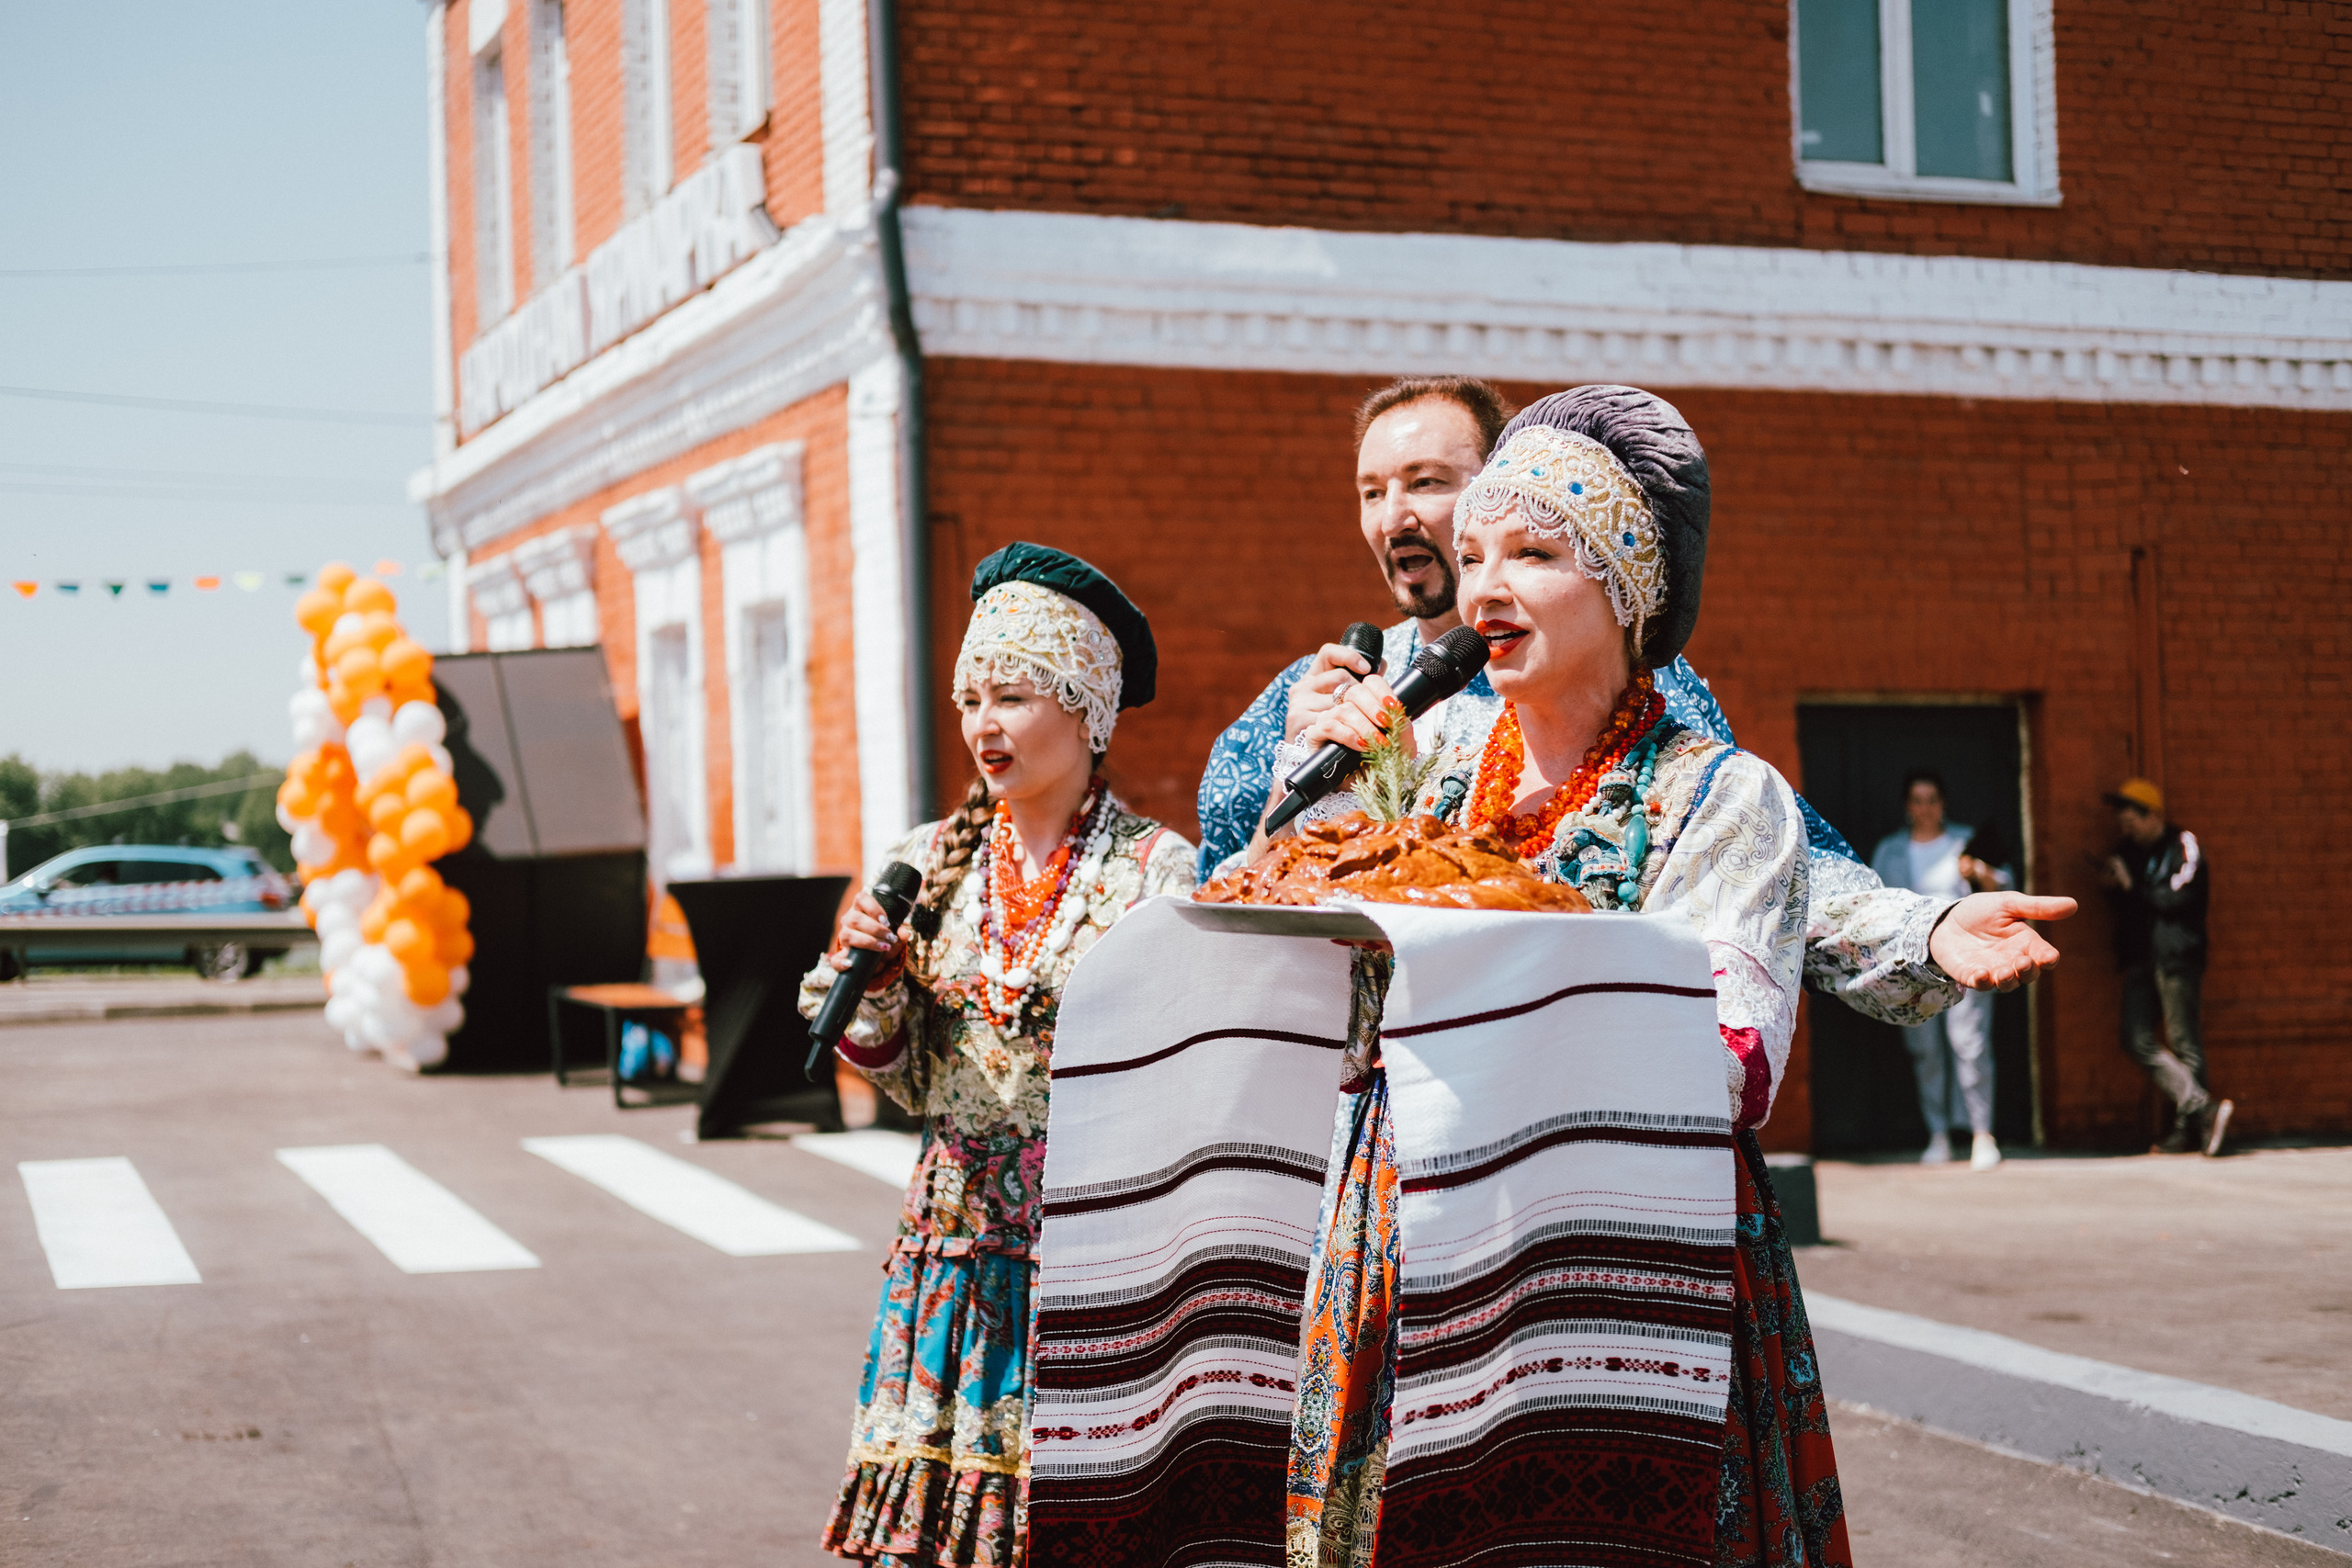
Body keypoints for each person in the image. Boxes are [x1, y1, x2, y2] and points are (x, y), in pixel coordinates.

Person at [1277, 387, 1893, 1566]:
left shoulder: (1720, 796)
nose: (1483, 590)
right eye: (1472, 557)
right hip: (1410, 1227)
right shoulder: (1421, 762)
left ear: (1625, 588)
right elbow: (1307, 966)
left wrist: (1498, 958)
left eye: (1533, 555)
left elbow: (1729, 1063)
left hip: (1619, 1247)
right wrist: (1324, 794)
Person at [1197, 374, 2076, 1027]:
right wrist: (1302, 776)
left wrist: (1922, 925)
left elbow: (1770, 863)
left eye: (1426, 482)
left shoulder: (1637, 675)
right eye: (1371, 491)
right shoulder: (1320, 690)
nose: (1394, 515)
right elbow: (1236, 890)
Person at [797, 543, 1196, 1565]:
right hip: (954, 1250)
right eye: (970, 698)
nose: (983, 724)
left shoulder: (1158, 876)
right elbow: (900, 1072)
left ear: (1089, 710)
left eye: (1012, 696)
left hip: (1094, 1254)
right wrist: (875, 989)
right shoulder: (926, 859)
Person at [1871, 773, 2013, 1169]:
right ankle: (1939, 1135)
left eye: (1932, 799)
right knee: (1926, 1050)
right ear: (1907, 806)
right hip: (1913, 963)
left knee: (1970, 1044)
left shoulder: (1964, 842)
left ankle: (1982, 1134)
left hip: (1967, 956)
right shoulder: (1891, 850)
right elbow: (1873, 901)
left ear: (1943, 803)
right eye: (1917, 800)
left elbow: (2007, 885)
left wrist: (1978, 873)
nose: (1925, 808)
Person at [2102, 777, 2230, 1156]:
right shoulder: (2126, 850)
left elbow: (2178, 898)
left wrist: (2132, 885)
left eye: (2131, 822)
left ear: (2153, 815)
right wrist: (2113, 886)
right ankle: (2202, 1108)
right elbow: (2126, 908)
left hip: (2176, 957)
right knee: (2134, 1037)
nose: (2127, 831)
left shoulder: (2182, 845)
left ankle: (2191, 1132)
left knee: (2185, 1042)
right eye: (2122, 824)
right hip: (2141, 958)